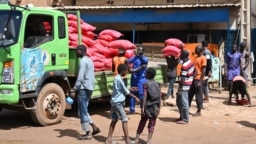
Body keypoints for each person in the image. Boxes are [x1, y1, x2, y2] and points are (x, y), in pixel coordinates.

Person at [105, 64, 140, 144]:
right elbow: (126, 92)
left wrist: (130, 88)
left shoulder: (117, 78)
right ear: (123, 71)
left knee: (114, 119)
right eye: (127, 70)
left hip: (114, 102)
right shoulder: (119, 79)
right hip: (118, 103)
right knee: (124, 120)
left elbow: (121, 90)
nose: (127, 72)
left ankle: (108, 139)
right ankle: (127, 140)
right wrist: (135, 97)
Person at [73, 45, 100, 139]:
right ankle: (94, 127)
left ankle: (88, 133)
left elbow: (80, 77)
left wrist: (74, 89)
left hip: (83, 89)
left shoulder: (83, 62)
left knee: (82, 111)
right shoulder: (89, 60)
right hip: (89, 88)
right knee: (83, 111)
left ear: (81, 51)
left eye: (77, 51)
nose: (76, 53)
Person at [135, 67, 161, 144]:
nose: (145, 74)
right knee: (152, 124)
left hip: (147, 107)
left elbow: (145, 96)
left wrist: (142, 107)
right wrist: (160, 107)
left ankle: (137, 139)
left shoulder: (146, 84)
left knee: (142, 122)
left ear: (149, 75)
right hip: (155, 107)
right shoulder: (158, 84)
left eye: (146, 73)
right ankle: (149, 141)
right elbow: (159, 96)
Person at [176, 50, 194, 124]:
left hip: (184, 85)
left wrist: (180, 88)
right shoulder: (190, 62)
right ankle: (182, 116)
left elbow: (183, 77)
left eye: (181, 55)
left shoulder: (185, 65)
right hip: (188, 84)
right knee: (179, 101)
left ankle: (185, 119)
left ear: (183, 56)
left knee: (183, 102)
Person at [128, 46, 148, 113]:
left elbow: (143, 64)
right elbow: (128, 61)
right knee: (132, 93)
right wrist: (128, 67)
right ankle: (132, 109)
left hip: (141, 80)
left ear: (143, 51)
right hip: (134, 78)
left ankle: (142, 108)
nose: (139, 51)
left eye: (140, 50)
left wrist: (132, 71)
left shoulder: (145, 58)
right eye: (138, 50)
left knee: (141, 94)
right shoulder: (135, 58)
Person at [188, 45, 206, 116]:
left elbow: (204, 70)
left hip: (199, 79)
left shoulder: (203, 58)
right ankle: (187, 108)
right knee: (190, 94)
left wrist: (200, 81)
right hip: (193, 78)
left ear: (200, 50)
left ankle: (199, 111)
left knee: (198, 95)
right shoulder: (195, 57)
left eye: (196, 49)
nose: (195, 50)